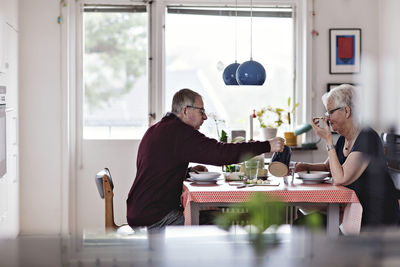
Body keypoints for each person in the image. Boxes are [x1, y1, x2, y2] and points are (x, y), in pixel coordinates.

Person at [126, 88, 285, 231]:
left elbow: (156, 168)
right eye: (201, 111)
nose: (205, 117)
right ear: (185, 110)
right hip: (155, 219)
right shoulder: (179, 133)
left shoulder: (158, 129)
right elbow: (220, 153)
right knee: (223, 222)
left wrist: (187, 172)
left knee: (217, 217)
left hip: (141, 212)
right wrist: (267, 145)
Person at [295, 84, 399, 227]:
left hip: (372, 219)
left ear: (347, 111)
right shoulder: (344, 138)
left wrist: (328, 141)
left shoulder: (367, 138)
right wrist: (303, 166)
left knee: (303, 224)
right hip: (351, 209)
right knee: (302, 220)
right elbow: (329, 166)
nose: (327, 118)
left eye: (330, 112)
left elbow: (340, 177)